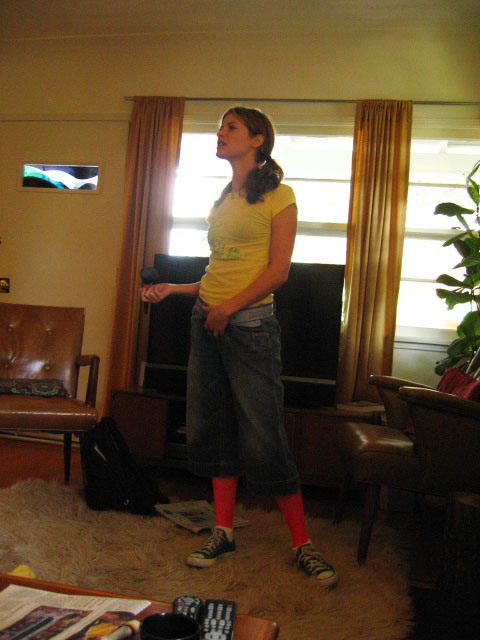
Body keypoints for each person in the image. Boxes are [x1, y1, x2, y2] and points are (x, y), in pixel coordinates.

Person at [140, 106, 338, 587]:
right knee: (212, 429)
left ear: (257, 139)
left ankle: (303, 545)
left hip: (249, 328)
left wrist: (228, 308)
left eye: (230, 127)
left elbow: (278, 272)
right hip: (206, 322)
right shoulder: (223, 199)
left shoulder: (280, 195)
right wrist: (175, 289)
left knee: (266, 436)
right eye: (220, 127)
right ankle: (223, 532)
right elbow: (217, 271)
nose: (220, 133)